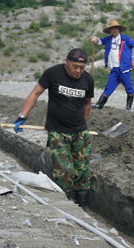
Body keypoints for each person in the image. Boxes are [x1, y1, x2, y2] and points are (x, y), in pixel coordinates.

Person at [13, 48, 94, 208]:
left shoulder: (88, 79)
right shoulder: (53, 73)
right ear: (67, 62)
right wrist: (22, 116)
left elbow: (87, 103)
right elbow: (35, 93)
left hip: (80, 132)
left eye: (82, 68)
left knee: (82, 170)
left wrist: (83, 124)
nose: (78, 71)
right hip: (58, 132)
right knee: (64, 171)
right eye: (75, 66)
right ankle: (65, 204)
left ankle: (81, 206)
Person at [90, 19, 134, 110]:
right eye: (112, 28)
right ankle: (99, 105)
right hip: (114, 69)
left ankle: (128, 108)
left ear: (119, 29)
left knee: (129, 88)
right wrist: (95, 39)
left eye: (116, 28)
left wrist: (130, 58)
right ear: (110, 30)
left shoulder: (126, 39)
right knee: (108, 87)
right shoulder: (108, 39)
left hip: (124, 68)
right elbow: (100, 41)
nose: (114, 30)